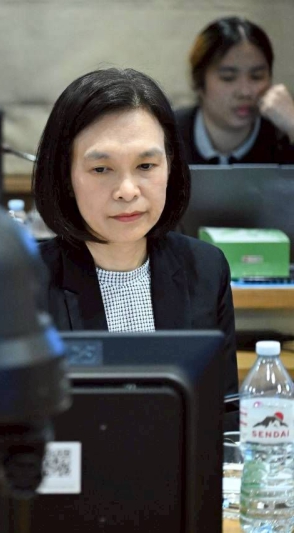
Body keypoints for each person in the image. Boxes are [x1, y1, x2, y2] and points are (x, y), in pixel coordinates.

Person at [33, 68, 238, 422]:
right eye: (101, 169)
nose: (127, 191)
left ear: (170, 166)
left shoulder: (206, 269)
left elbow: (224, 416)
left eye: (146, 165)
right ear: (65, 177)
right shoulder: (25, 283)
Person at [176, 16, 294, 164]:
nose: (245, 92)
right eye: (228, 78)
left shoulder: (283, 134)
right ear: (198, 81)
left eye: (257, 76)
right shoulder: (167, 134)